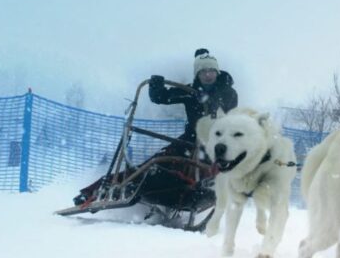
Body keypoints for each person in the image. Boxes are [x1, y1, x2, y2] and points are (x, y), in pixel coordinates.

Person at [72, 48, 238, 206]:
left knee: (200, 170)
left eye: (211, 71)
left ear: (217, 72)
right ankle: (94, 191)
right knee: (154, 164)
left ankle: (184, 192)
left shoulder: (227, 91)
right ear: (198, 74)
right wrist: (156, 87)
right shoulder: (191, 91)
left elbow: (226, 104)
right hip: (189, 140)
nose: (208, 75)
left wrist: (211, 99)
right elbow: (162, 97)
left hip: (214, 145)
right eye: (203, 72)